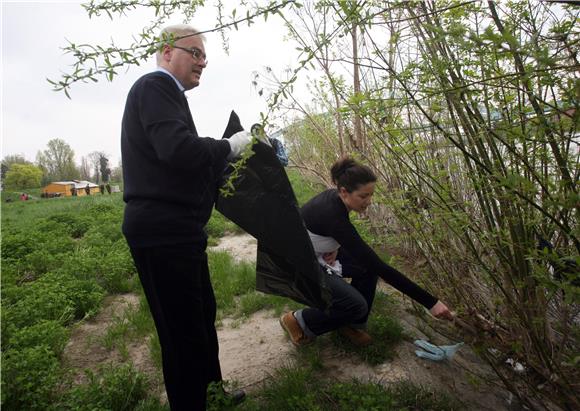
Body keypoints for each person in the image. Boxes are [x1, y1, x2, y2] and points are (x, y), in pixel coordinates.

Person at [121, 24, 253, 410]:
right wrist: (228, 146)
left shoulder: (171, 97)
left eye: (204, 55)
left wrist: (230, 163)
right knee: (181, 333)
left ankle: (212, 394)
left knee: (200, 319)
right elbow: (178, 150)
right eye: (194, 53)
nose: (203, 61)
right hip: (161, 233)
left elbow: (182, 163)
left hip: (179, 232)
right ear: (167, 52)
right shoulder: (155, 87)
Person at [280, 157, 454, 347]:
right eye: (363, 196)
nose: (369, 201)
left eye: (371, 195)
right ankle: (298, 320)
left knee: (367, 269)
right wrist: (431, 303)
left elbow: (320, 231)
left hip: (315, 253)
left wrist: (335, 248)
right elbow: (380, 266)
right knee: (357, 302)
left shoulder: (336, 198)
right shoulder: (333, 215)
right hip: (297, 265)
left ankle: (351, 324)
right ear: (345, 192)